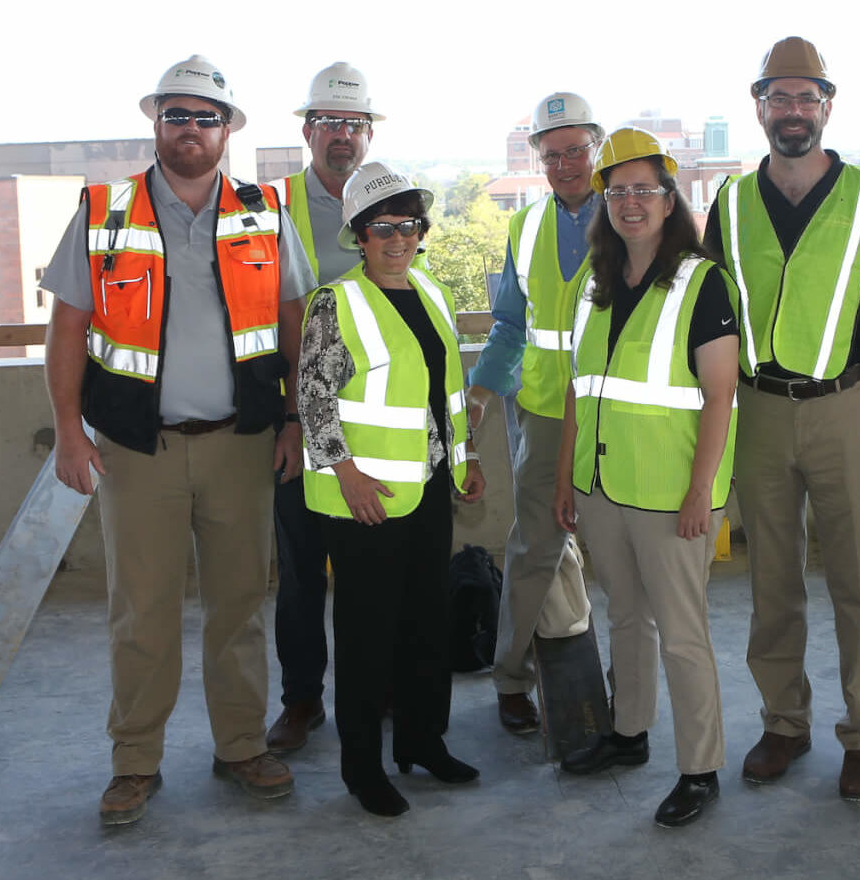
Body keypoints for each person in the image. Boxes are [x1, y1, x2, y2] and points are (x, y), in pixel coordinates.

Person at [40, 55, 315, 826]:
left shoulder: (264, 211)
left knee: (239, 606)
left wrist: (295, 417)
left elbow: (293, 319)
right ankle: (134, 763)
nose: (189, 130)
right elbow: (68, 325)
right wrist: (68, 429)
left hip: (240, 445)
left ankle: (239, 747)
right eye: (175, 115)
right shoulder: (105, 211)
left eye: (205, 117)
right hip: (137, 450)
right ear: (154, 123)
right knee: (142, 612)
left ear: (227, 130)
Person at [703, 36, 860, 802]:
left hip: (846, 408)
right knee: (773, 580)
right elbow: (713, 324)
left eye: (806, 98)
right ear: (758, 107)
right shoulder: (729, 205)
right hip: (759, 412)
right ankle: (784, 724)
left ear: (827, 107)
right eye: (779, 97)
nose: (792, 111)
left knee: (859, 581)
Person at [550, 128, 738, 828]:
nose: (631, 203)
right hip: (602, 489)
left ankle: (700, 768)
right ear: (606, 201)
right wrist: (568, 482)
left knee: (683, 633)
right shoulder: (593, 282)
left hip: (670, 497)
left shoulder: (703, 281)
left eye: (644, 191)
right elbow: (579, 389)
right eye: (618, 191)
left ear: (669, 201)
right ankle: (629, 735)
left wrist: (700, 491)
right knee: (626, 617)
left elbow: (719, 394)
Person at [298, 162, 487, 817]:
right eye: (383, 228)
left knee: (426, 624)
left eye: (409, 226)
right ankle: (362, 769)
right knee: (366, 633)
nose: (398, 239)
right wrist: (345, 472)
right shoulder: (337, 301)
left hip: (428, 486)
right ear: (359, 234)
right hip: (363, 498)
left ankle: (422, 742)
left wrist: (464, 460)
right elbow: (314, 396)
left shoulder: (431, 291)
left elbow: (442, 393)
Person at [467, 92, 604, 735]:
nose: (566, 164)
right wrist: (482, 392)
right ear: (538, 161)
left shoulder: (635, 215)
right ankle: (512, 678)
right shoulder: (523, 230)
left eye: (576, 150)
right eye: (553, 154)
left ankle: (620, 683)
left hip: (624, 414)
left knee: (628, 554)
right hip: (546, 414)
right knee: (534, 548)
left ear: (596, 149)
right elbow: (509, 326)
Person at [264, 61, 383, 754]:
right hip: (298, 417)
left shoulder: (385, 198)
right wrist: (286, 418)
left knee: (373, 565)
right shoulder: (269, 202)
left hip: (375, 415)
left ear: (369, 132)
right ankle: (302, 699)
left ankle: (376, 688)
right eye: (330, 123)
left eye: (353, 124)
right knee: (302, 567)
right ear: (308, 130)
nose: (342, 136)